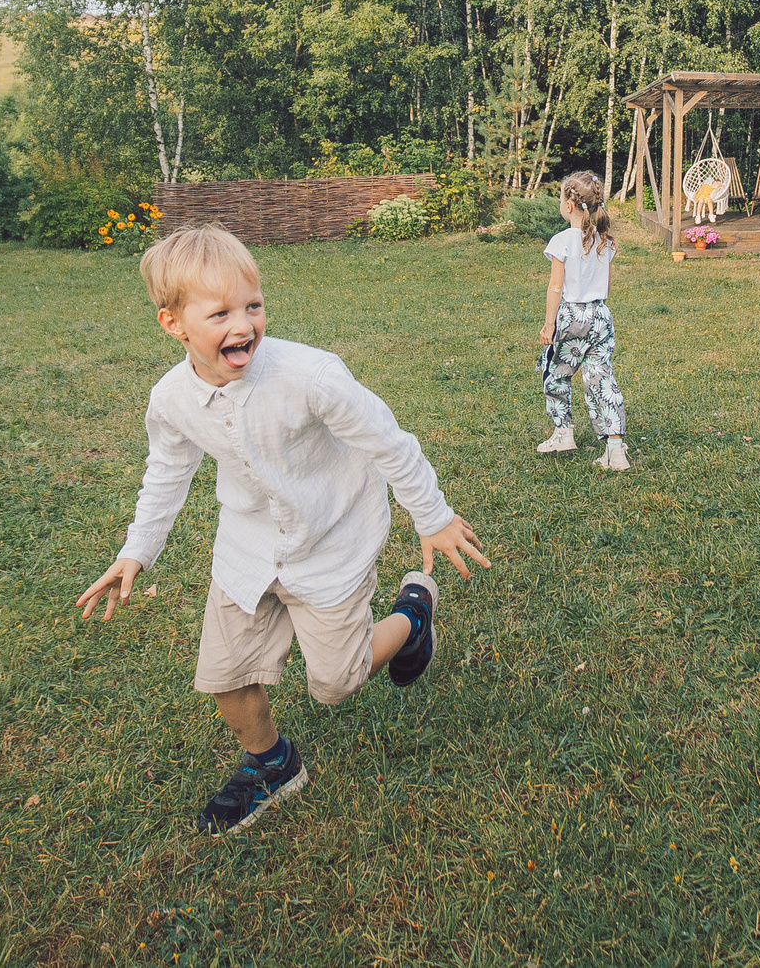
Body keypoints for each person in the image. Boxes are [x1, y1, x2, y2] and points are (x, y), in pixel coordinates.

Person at [72, 224, 491, 836]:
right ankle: (272, 763)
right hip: (247, 548)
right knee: (225, 676)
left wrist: (432, 516)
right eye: (220, 313)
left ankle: (413, 613)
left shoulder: (311, 376)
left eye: (253, 306)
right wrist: (137, 550)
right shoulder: (171, 400)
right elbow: (166, 472)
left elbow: (389, 444)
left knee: (335, 683)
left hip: (331, 541)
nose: (242, 325)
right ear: (174, 324)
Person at [535, 171, 631, 471]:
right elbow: (607, 287)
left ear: (569, 205)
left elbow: (555, 286)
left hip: (572, 314)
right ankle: (615, 450)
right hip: (600, 315)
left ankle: (563, 432)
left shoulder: (562, 241)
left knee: (557, 373)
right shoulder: (605, 242)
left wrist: (550, 323)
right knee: (601, 378)